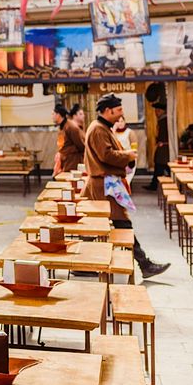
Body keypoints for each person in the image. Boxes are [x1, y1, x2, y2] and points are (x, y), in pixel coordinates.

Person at [82, 94, 168, 278]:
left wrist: (125, 156)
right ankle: (144, 264)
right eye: (119, 109)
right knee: (121, 223)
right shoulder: (98, 129)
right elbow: (106, 155)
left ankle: (82, 264)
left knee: (99, 223)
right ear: (108, 110)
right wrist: (127, 155)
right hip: (104, 185)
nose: (122, 113)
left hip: (105, 183)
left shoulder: (102, 128)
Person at [53, 103, 86, 175]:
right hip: (66, 160)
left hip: (73, 161)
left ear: (58, 115)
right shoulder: (63, 126)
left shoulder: (71, 127)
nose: (52, 116)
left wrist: (70, 151)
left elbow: (81, 145)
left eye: (53, 114)